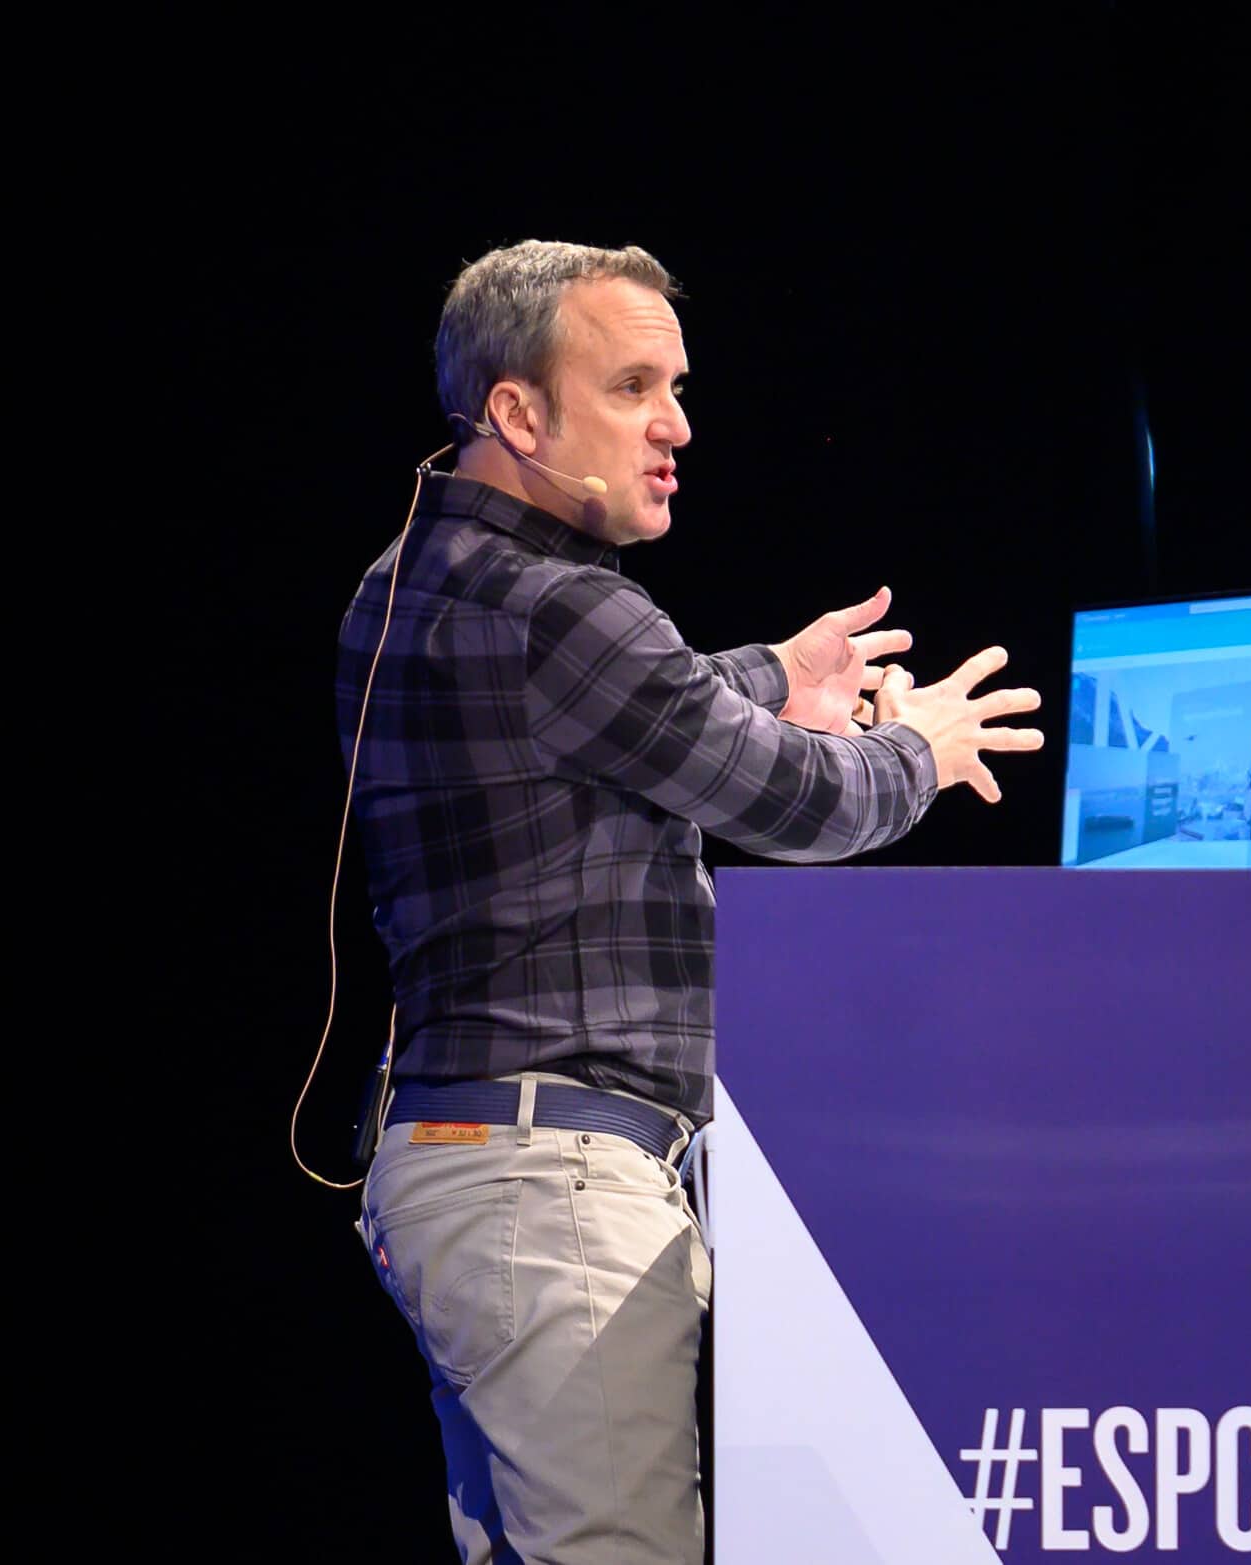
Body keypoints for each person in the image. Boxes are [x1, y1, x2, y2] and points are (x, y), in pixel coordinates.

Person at [337, 239, 1042, 1563]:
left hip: (467, 1170)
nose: (677, 426)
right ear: (518, 413)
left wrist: (775, 674)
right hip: (549, 1188)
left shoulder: (424, 576)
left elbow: (611, 715)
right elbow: (794, 802)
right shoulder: (562, 607)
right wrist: (922, 749)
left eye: (676, 387)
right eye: (632, 388)